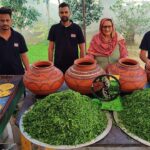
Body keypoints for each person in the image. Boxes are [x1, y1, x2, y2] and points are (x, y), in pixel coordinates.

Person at [47, 2, 85, 73]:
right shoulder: (54, 28)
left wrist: (81, 64)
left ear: (69, 13)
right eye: (61, 12)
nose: (64, 14)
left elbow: (82, 48)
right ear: (59, 14)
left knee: (73, 84)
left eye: (66, 12)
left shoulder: (77, 28)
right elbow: (50, 49)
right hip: (58, 66)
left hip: (74, 66)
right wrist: (50, 65)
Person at [0, 7, 29, 75]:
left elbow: (23, 55)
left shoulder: (19, 37)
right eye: (2, 20)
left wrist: (29, 71)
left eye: (7, 20)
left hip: (18, 75)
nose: (5, 23)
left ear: (11, 21)